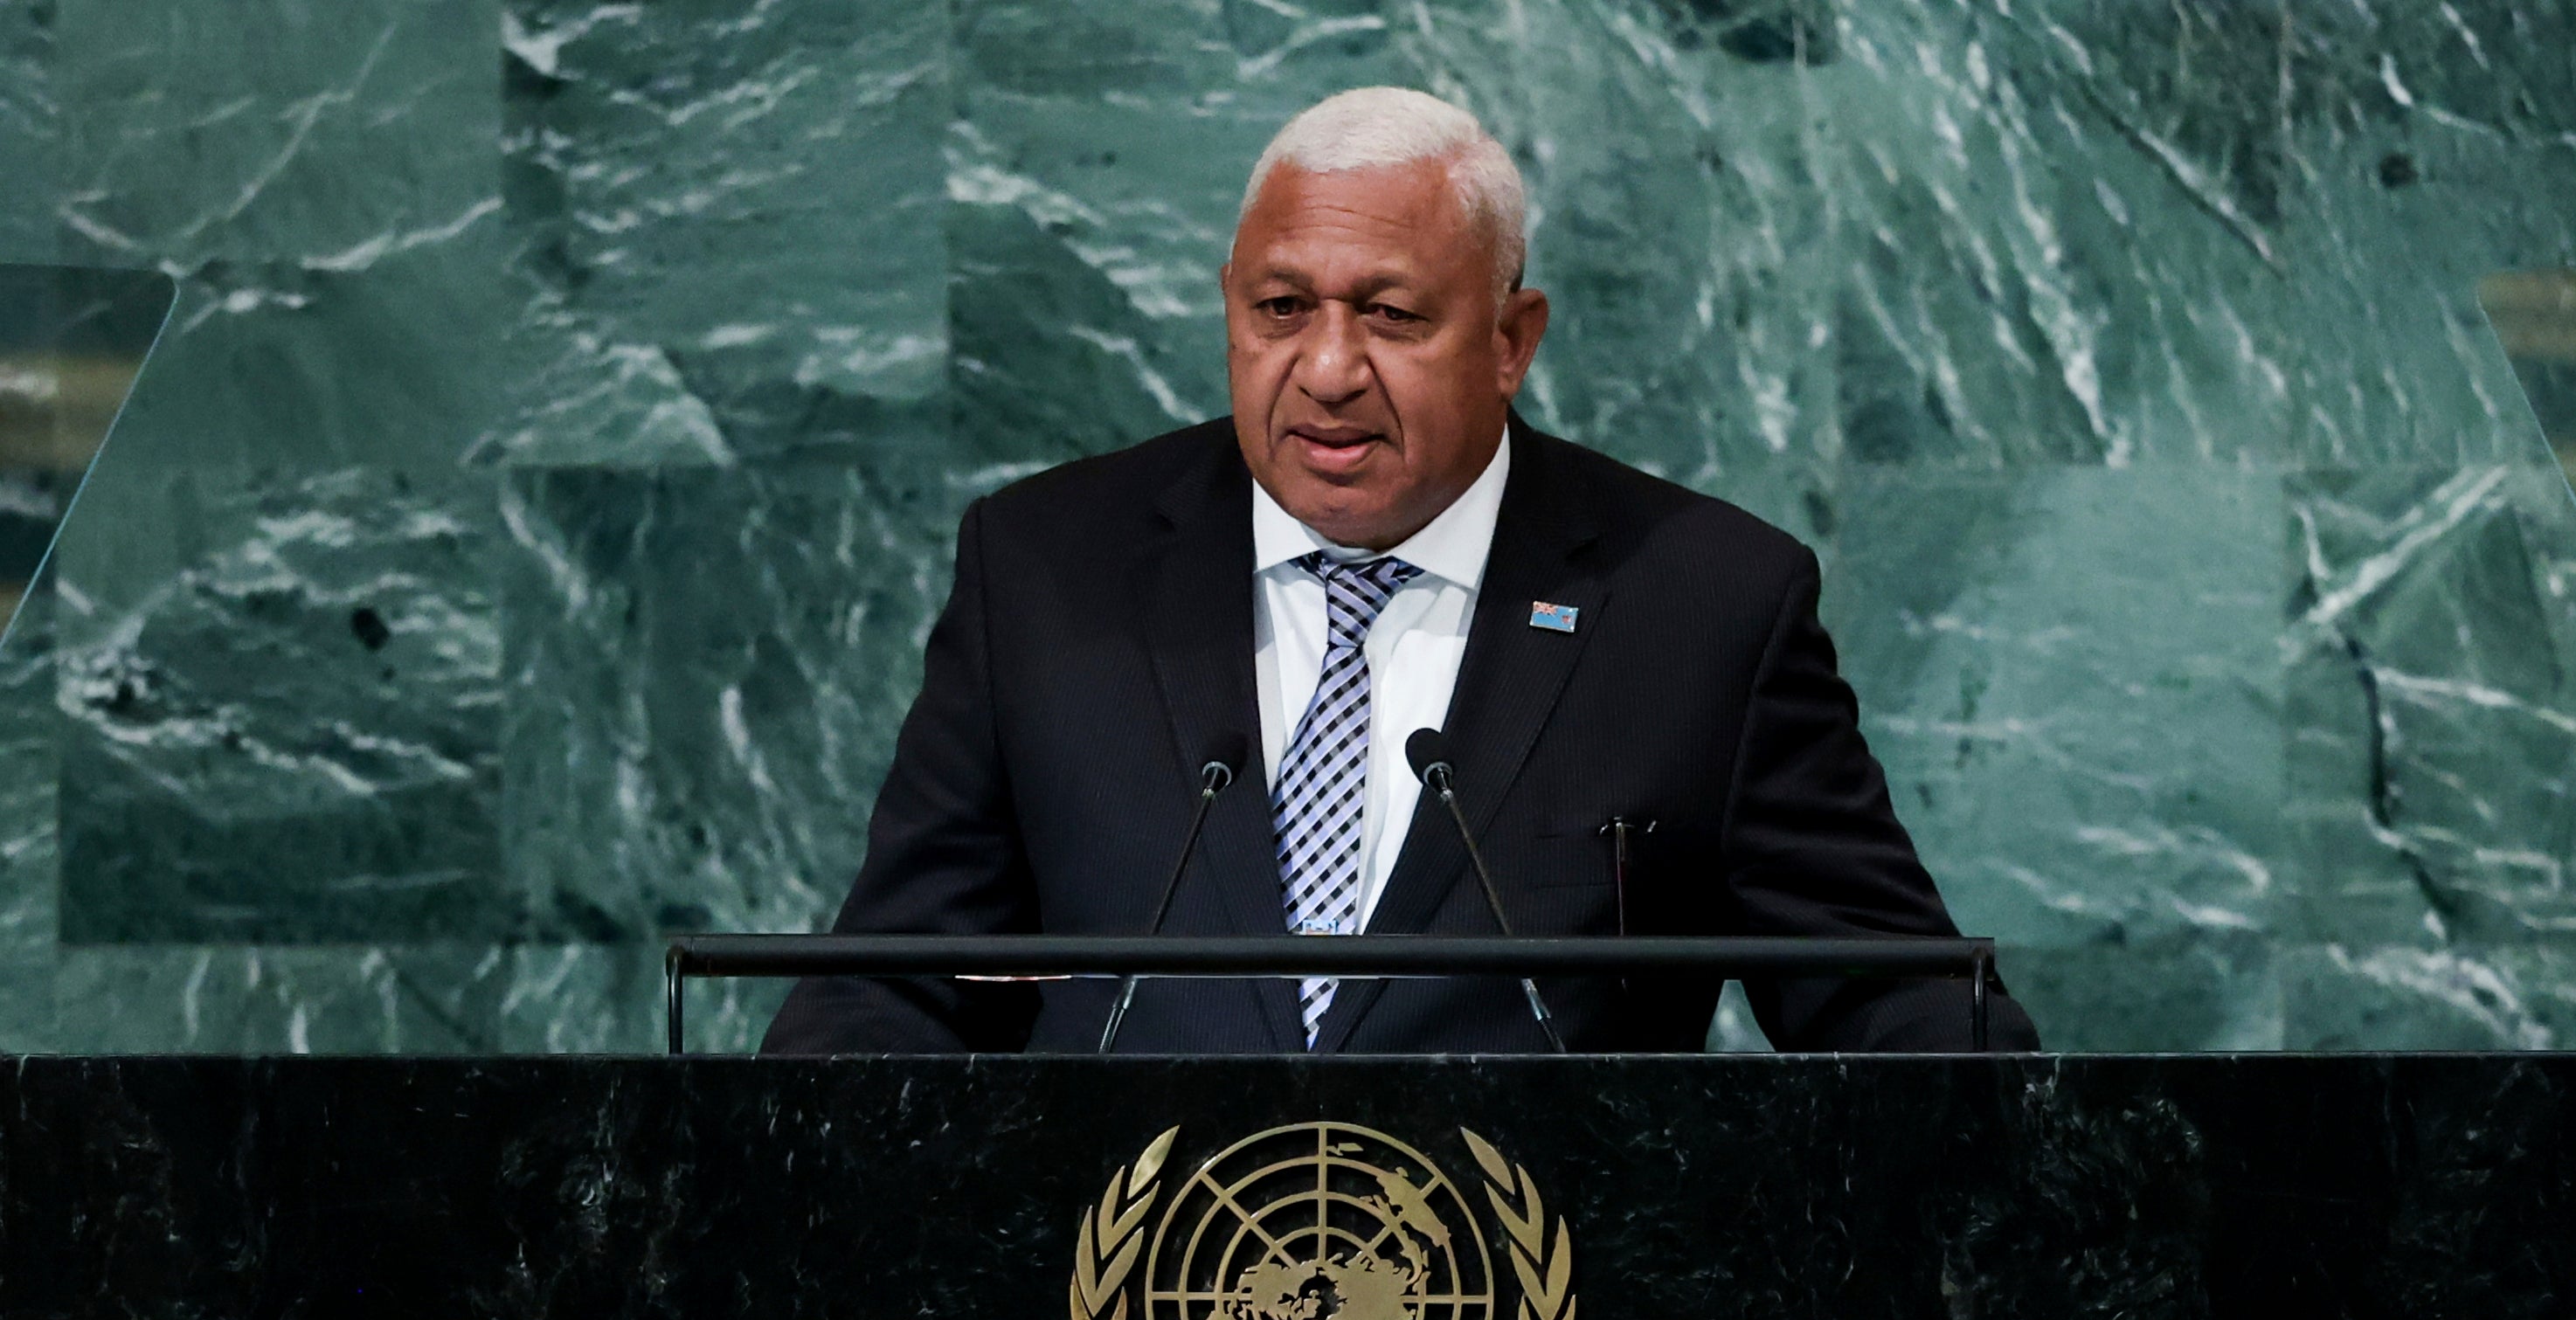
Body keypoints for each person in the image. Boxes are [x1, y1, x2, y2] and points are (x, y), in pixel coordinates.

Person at [764, 86, 2037, 1055]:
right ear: (1226, 310)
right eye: (1279, 310)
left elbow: (1900, 1020)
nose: (1325, 369)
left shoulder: (1702, 606)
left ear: (1508, 341)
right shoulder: (1046, 570)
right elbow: (886, 997)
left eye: (1389, 314)